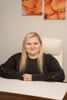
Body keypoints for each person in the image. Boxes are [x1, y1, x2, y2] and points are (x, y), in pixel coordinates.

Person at [0, 32, 65, 82]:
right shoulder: (16, 57)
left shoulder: (49, 58)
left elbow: (61, 75)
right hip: (21, 90)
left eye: (35, 43)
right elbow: (1, 69)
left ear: (40, 45)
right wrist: (21, 76)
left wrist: (33, 77)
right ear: (24, 46)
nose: (32, 47)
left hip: (43, 91)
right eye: (29, 44)